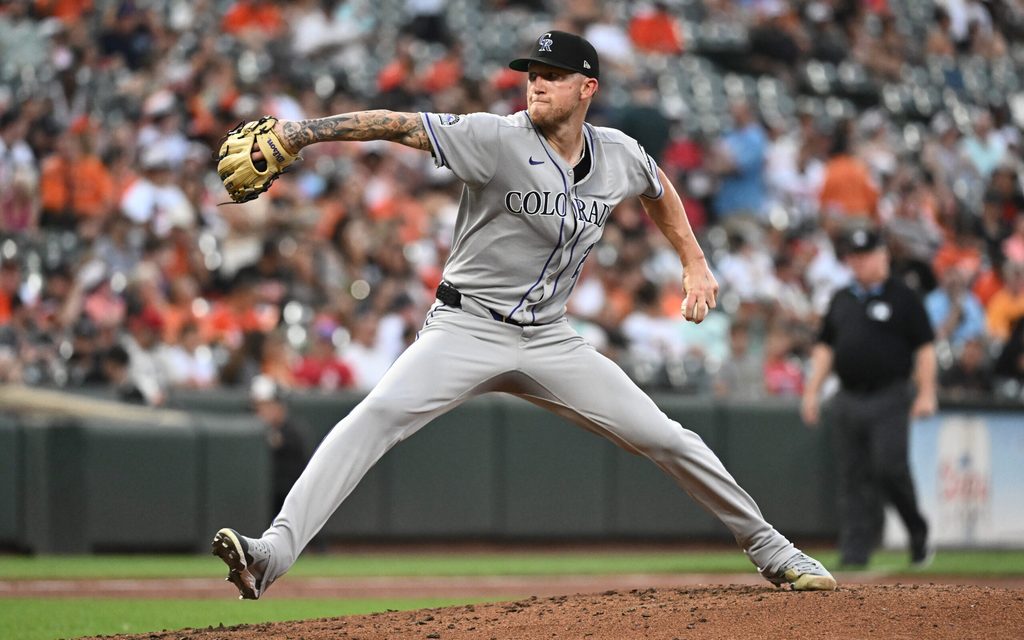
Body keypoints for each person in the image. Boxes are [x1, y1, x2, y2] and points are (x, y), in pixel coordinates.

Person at [212, 30, 836, 600]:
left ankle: (768, 546)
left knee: (667, 437)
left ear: (587, 88)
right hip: (465, 326)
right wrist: (301, 133)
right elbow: (399, 126)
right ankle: (271, 554)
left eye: (553, 73)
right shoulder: (495, 138)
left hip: (550, 339)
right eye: (531, 72)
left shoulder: (616, 152)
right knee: (374, 416)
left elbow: (657, 188)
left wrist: (694, 260)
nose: (535, 82)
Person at [801, 228, 937, 568]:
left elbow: (925, 348)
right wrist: (812, 391)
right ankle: (855, 553)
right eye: (853, 257)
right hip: (848, 396)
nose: (858, 263)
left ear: (883, 257)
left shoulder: (904, 297)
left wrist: (926, 392)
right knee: (852, 476)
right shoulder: (842, 298)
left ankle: (917, 532)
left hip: (889, 394)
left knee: (890, 469)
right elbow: (825, 348)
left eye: (865, 256)